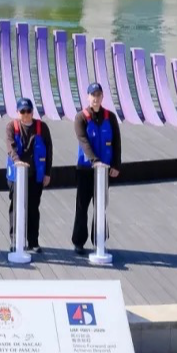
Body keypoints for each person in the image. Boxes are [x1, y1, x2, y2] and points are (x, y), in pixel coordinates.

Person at [72, 82, 122, 255]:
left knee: (100, 207)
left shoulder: (110, 117)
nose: (95, 98)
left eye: (98, 95)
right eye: (93, 95)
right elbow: (83, 141)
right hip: (85, 169)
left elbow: (116, 142)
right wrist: (94, 160)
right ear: (88, 97)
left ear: (102, 97)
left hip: (104, 170)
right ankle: (78, 241)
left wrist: (116, 164)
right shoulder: (81, 118)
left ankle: (99, 240)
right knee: (82, 206)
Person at [5, 98, 52, 253]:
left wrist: (47, 173)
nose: (25, 114)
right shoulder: (11, 126)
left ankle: (33, 241)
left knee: (33, 208)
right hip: (16, 175)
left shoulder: (42, 127)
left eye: (28, 111)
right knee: (16, 207)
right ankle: (15, 240)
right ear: (17, 112)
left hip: (35, 175)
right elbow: (10, 146)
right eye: (22, 111)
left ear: (32, 112)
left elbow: (49, 150)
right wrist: (17, 161)